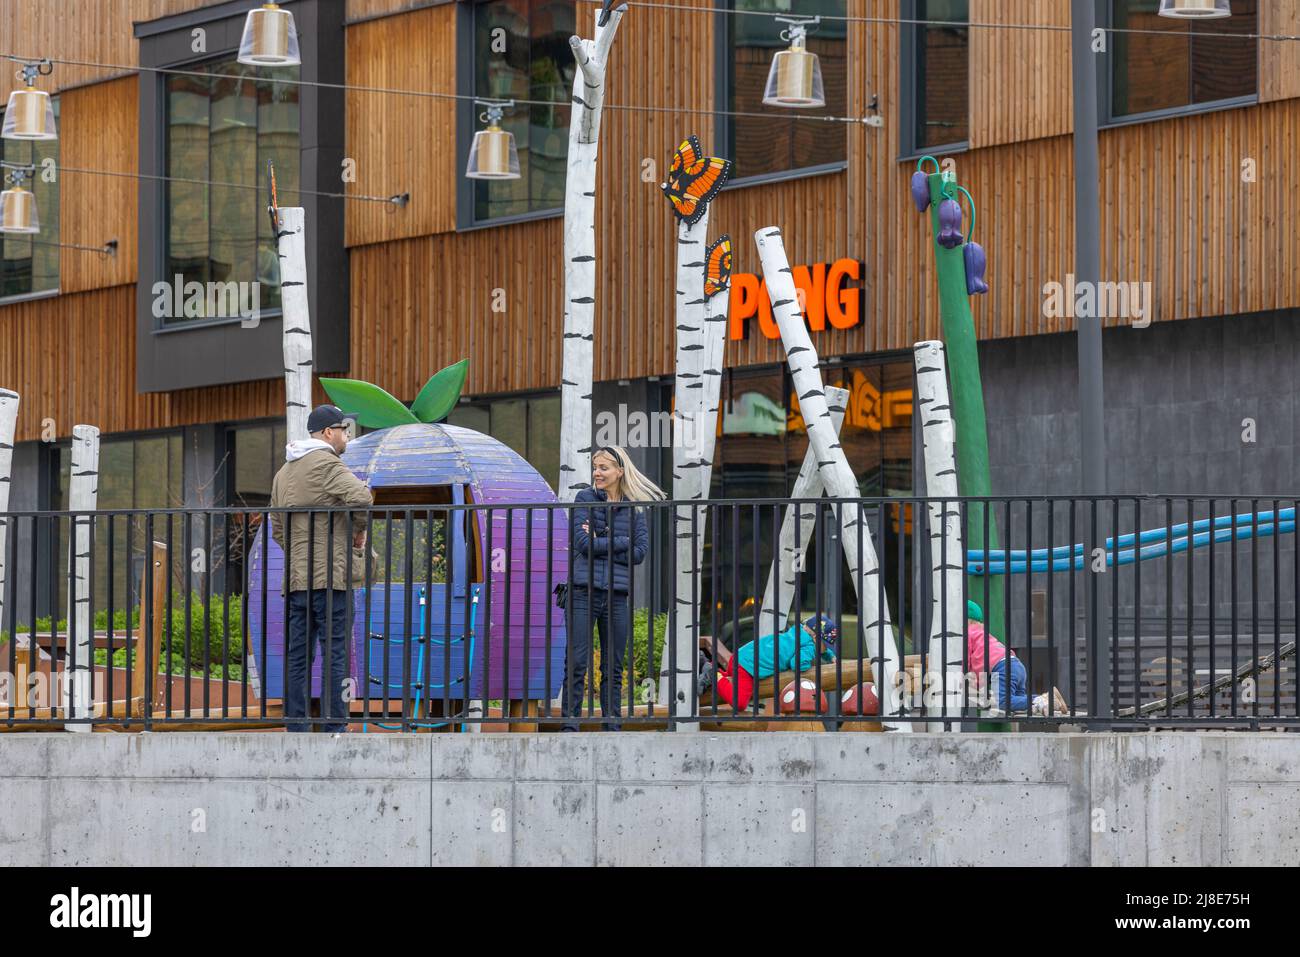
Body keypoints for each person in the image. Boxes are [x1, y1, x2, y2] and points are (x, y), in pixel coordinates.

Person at [270, 405, 374, 732]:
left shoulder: (283, 473)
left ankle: (296, 726)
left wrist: (298, 554)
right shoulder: (328, 463)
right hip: (332, 578)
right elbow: (362, 497)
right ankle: (334, 726)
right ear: (328, 433)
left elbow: (277, 529)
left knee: (298, 656)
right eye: (343, 430)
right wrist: (358, 532)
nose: (346, 436)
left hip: (297, 580)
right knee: (336, 654)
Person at [562, 446, 663, 731]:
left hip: (617, 595)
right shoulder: (584, 498)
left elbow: (640, 552)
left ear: (619, 471)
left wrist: (602, 539)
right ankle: (570, 725)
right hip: (582, 591)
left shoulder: (633, 507)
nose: (597, 473)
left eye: (604, 467)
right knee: (578, 661)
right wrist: (621, 541)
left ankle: (612, 727)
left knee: (613, 667)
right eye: (595, 467)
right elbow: (583, 545)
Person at [703, 614, 839, 711]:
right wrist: (809, 664)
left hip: (741, 657)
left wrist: (830, 657)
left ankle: (714, 675)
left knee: (730, 683)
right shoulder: (809, 647)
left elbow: (819, 650)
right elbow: (797, 663)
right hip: (747, 667)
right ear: (815, 638)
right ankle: (713, 673)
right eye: (826, 645)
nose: (826, 648)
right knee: (739, 703)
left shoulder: (796, 635)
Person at [965, 600, 1068, 715]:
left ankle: (1041, 700)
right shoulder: (982, 633)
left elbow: (967, 661)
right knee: (1016, 702)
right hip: (1015, 664)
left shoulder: (966, 633)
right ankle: (1047, 701)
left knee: (1002, 702)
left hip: (1001, 667)